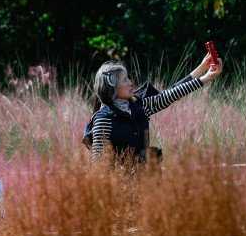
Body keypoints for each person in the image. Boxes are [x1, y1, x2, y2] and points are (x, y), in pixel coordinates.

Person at [87, 51, 223, 164]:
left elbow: (169, 95)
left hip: (144, 183)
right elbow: (98, 165)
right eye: (125, 80)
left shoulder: (139, 106)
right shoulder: (102, 120)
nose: (131, 83)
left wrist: (204, 74)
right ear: (112, 87)